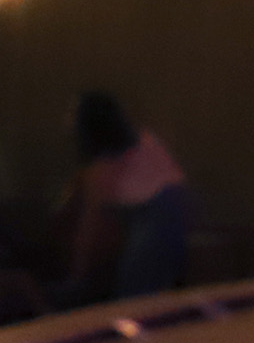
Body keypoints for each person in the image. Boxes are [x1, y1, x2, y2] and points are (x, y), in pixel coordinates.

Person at [54, 89, 191, 306]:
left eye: (72, 114)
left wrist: (77, 277)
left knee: (135, 301)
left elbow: (92, 225)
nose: (67, 121)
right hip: (176, 210)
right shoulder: (142, 142)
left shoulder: (103, 162)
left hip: (155, 219)